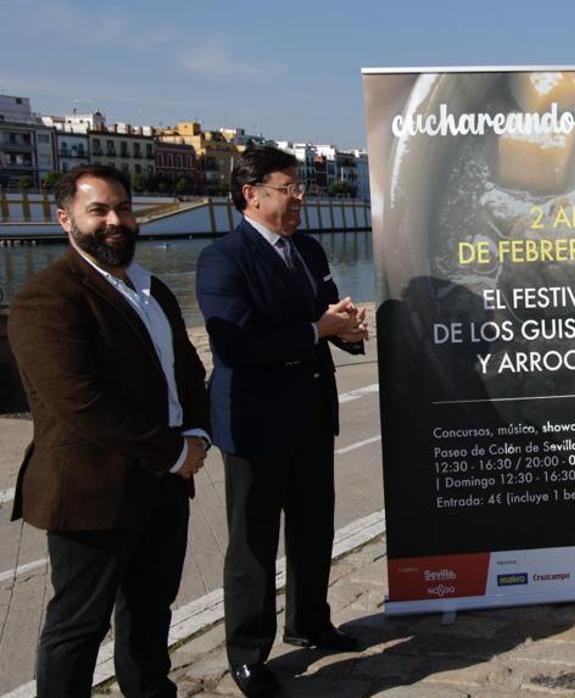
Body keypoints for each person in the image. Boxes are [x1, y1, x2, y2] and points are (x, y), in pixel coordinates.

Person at [8, 164, 209, 697]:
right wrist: (173, 451)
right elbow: (80, 402)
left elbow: (187, 371)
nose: (115, 220)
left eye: (123, 208)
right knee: (79, 626)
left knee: (151, 610)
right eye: (98, 210)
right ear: (65, 219)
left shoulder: (153, 289)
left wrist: (197, 434)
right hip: (91, 491)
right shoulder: (47, 298)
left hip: (164, 485)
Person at [197, 146, 368, 696]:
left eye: (301, 189)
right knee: (253, 541)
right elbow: (237, 346)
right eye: (288, 189)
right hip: (255, 421)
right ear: (252, 194)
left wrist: (348, 331)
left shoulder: (309, 249)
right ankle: (248, 653)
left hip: (311, 412)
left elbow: (325, 312)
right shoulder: (223, 259)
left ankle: (310, 620)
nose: (299, 199)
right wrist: (318, 330)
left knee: (314, 525)